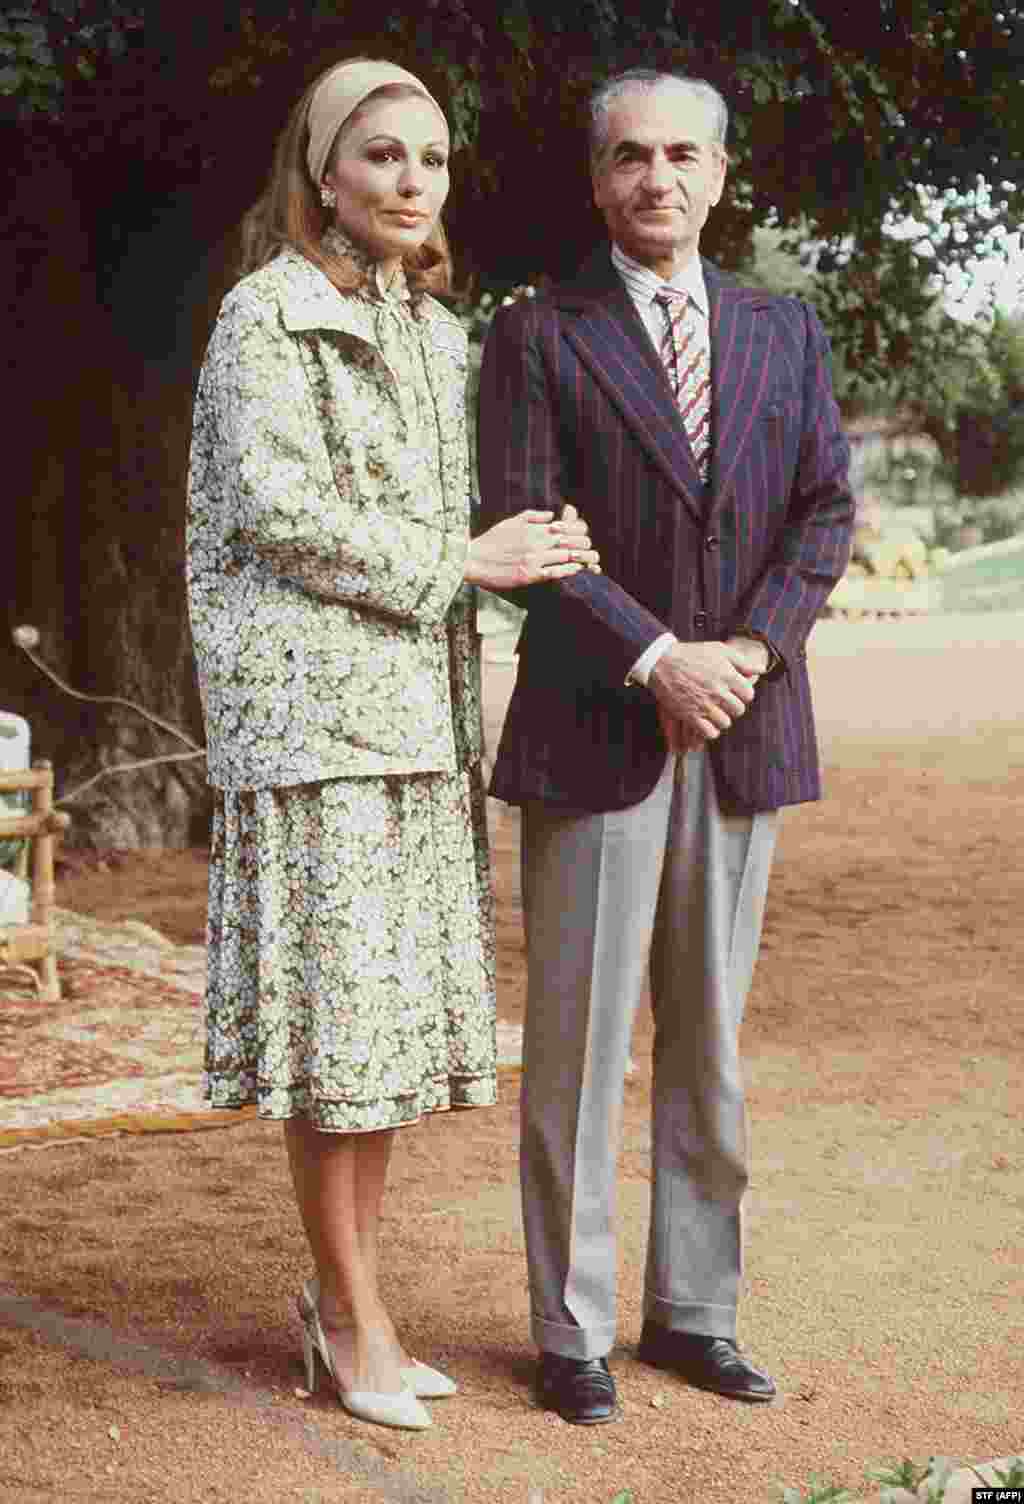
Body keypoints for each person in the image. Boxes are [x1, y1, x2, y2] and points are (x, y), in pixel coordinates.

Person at [185, 56, 598, 1433]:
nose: (410, 181)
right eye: (379, 157)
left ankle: (346, 1303)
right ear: (322, 174)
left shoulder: (438, 328)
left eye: (427, 157)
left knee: (383, 1043)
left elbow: (485, 509)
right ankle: (354, 1317)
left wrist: (546, 542)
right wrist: (464, 560)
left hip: (419, 721)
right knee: (339, 1039)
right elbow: (276, 510)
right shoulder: (266, 317)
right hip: (312, 726)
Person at [476, 68, 854, 1424]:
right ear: (597, 180)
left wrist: (744, 657)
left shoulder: (784, 331)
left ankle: (694, 1314)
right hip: (597, 723)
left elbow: (824, 509)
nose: (657, 178)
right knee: (577, 1051)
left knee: (710, 1045)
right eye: (629, 156)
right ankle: (570, 1331)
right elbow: (526, 528)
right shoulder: (536, 333)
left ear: (720, 171)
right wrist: (658, 659)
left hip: (745, 726)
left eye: (682, 154)